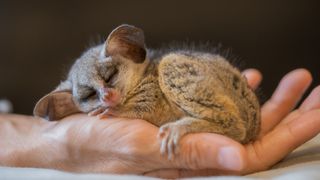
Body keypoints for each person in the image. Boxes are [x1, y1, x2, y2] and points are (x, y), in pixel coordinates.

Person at [0, 68, 319, 179]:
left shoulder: (148, 79)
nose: (106, 94)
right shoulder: (84, 107)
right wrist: (57, 142)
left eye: (110, 78)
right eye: (89, 93)